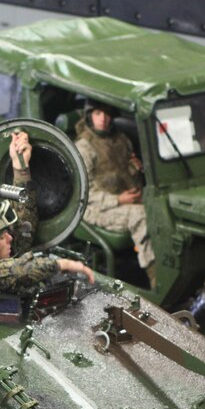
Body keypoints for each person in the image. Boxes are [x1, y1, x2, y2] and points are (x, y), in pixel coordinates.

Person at [0, 130, 94, 295]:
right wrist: (61, 265)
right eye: (1, 237)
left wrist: (21, 169)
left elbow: (23, 224)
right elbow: (19, 269)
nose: (9, 237)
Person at [73, 100, 156, 287]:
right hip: (96, 209)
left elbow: (123, 171)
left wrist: (135, 168)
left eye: (107, 114)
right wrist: (118, 200)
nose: (103, 119)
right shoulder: (84, 147)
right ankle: (155, 277)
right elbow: (84, 193)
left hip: (130, 198)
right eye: (98, 114)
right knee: (141, 216)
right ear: (89, 116)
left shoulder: (120, 139)